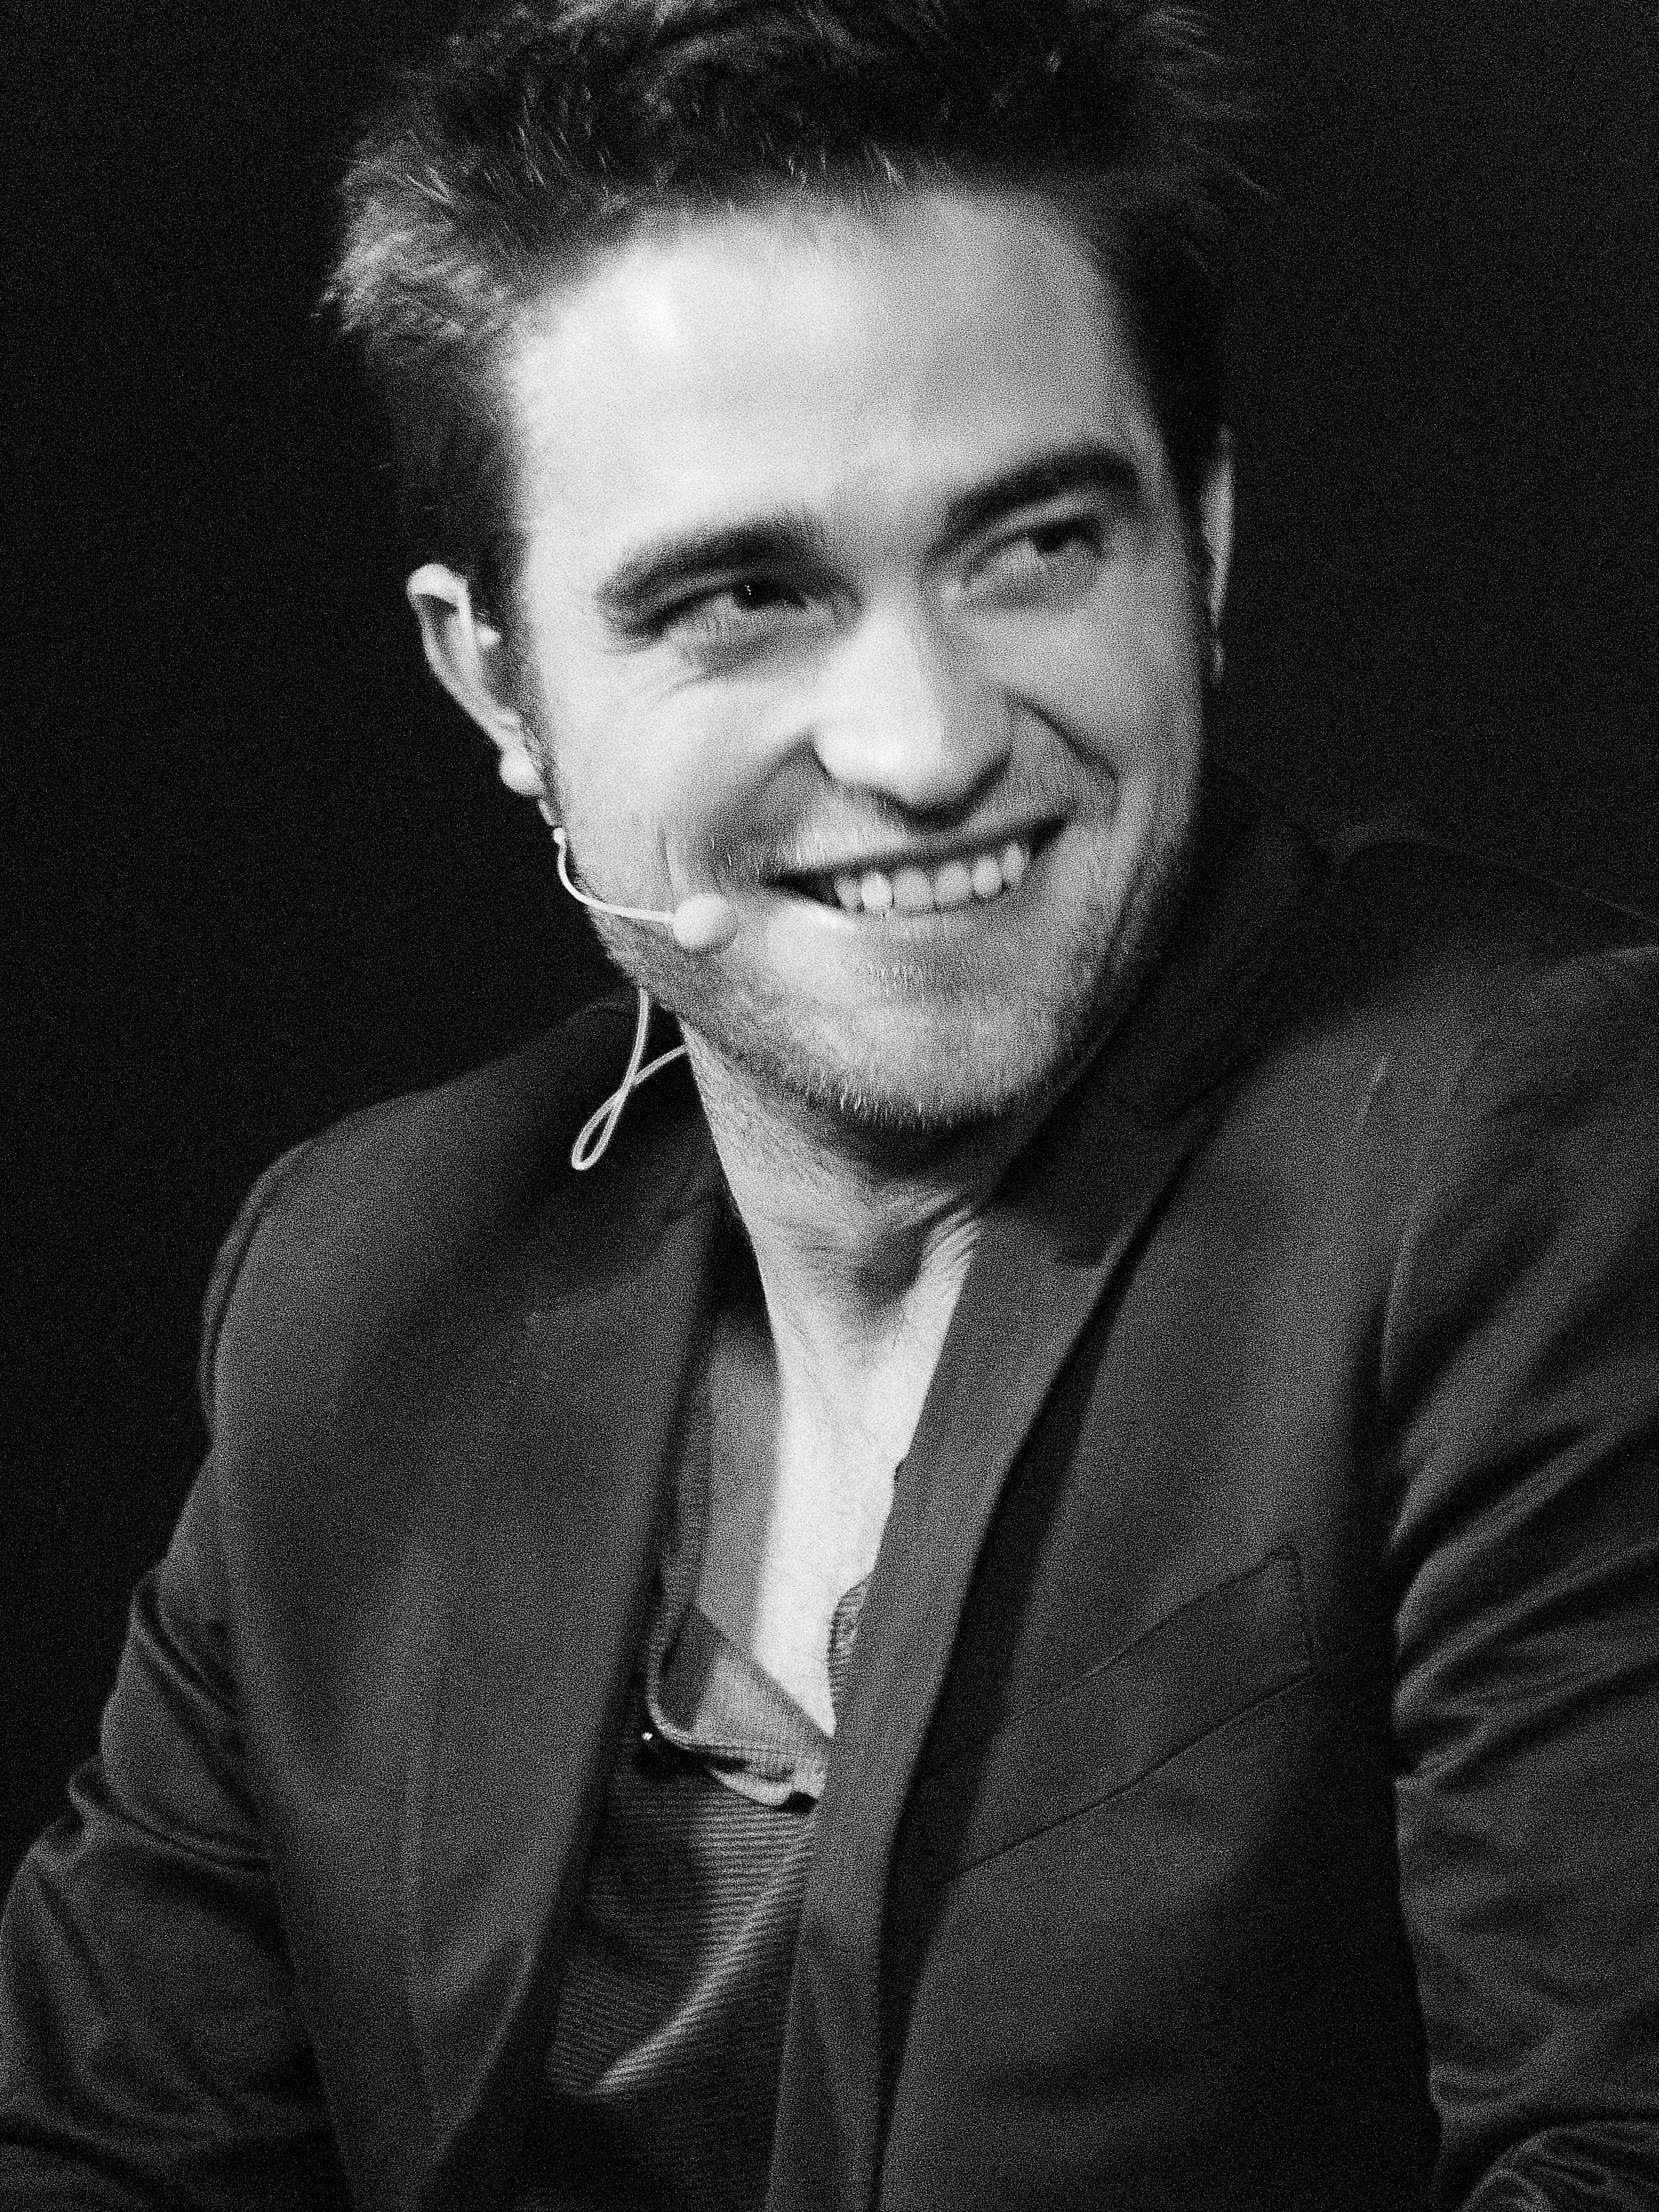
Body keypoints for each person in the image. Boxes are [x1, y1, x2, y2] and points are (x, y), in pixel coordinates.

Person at [4, 1, 1658, 2205]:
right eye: (740, 597)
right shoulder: (363, 1280)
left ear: (1204, 541)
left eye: (1032, 545)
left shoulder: (1539, 1138)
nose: (922, 742)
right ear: (497, 679)